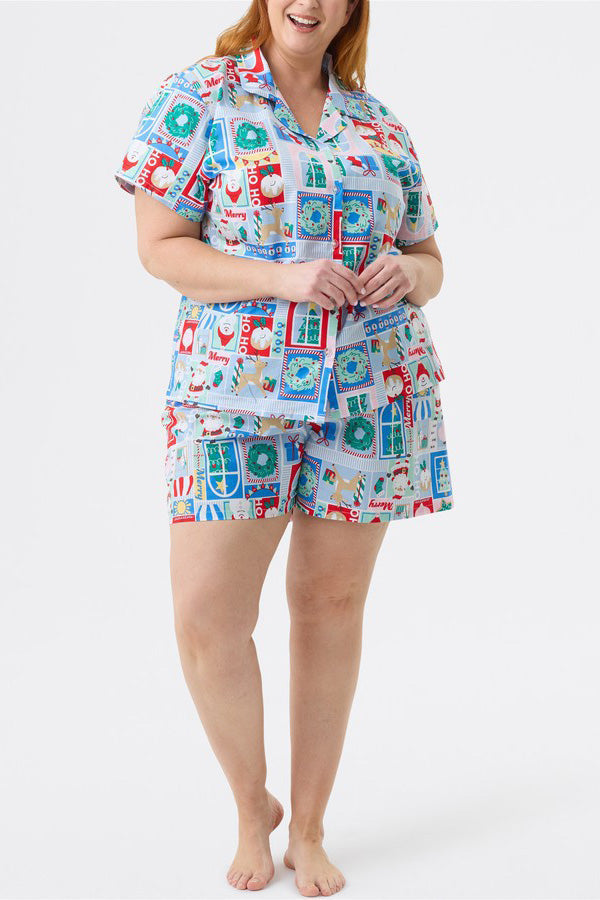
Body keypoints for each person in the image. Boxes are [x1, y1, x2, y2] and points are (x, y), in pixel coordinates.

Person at [114, 0, 454, 893]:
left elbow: (431, 260)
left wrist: (411, 273)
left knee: (330, 606)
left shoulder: (378, 122)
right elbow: (160, 248)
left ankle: (308, 826)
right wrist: (282, 278)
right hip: (233, 394)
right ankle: (250, 808)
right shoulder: (198, 98)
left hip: (370, 390)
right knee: (207, 617)